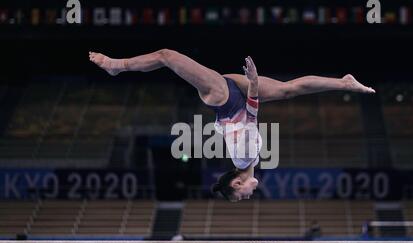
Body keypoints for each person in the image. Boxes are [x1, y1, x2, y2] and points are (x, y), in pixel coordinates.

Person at [90, 49, 375, 202]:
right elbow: (246, 119)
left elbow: (252, 114)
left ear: (237, 182)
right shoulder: (247, 160)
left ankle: (117, 65)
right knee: (290, 90)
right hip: (233, 96)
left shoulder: (244, 157)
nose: (248, 196)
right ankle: (344, 82)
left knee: (167, 56)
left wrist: (252, 82)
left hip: (225, 96)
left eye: (241, 196)